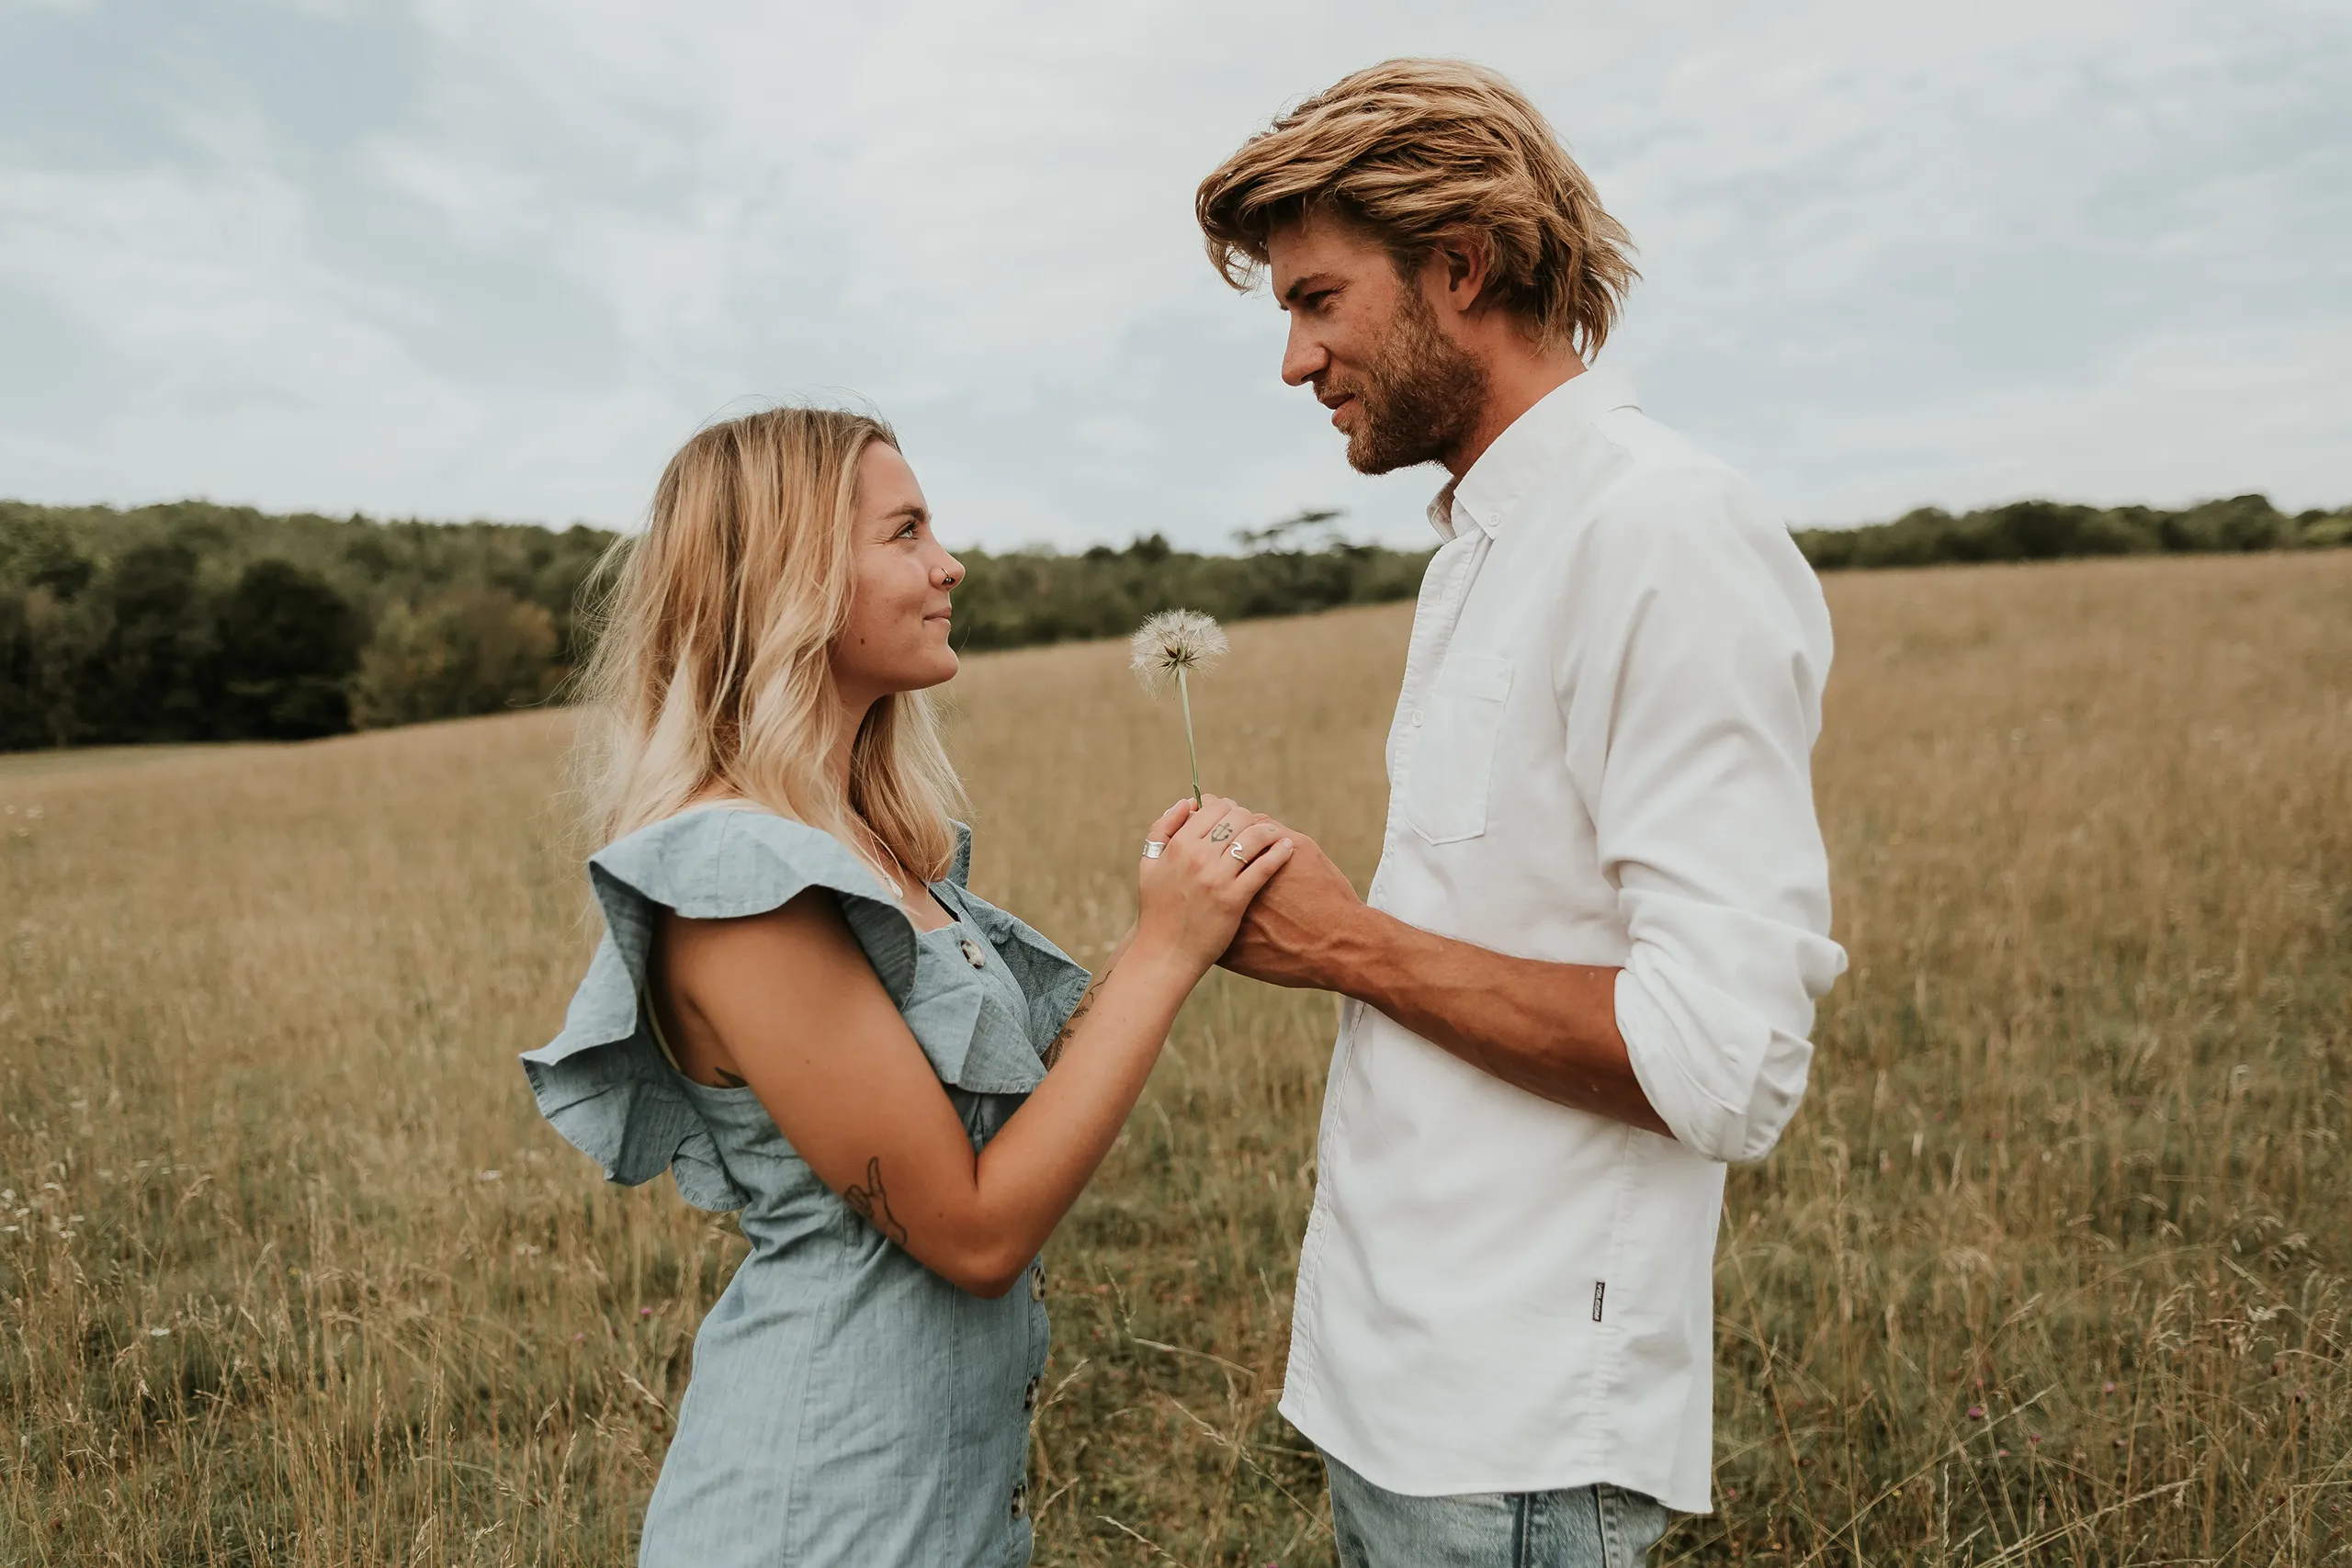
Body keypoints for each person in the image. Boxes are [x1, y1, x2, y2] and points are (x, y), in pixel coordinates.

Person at [1193, 60, 1848, 1568]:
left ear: (1460, 266)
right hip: (1404, 1397)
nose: (1295, 359)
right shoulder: (1488, 540)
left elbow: (1726, 1059)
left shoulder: (1658, 531)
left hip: (1519, 1438)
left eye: (1317, 300)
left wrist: (1349, 943)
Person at [520, 405, 1294, 1567]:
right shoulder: (737, 881)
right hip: (820, 1515)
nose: (950, 563)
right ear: (789, 581)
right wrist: (1165, 950)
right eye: (906, 531)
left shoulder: (868, 844)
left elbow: (1000, 1122)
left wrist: (1183, 917)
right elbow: (975, 1233)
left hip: (930, 1505)